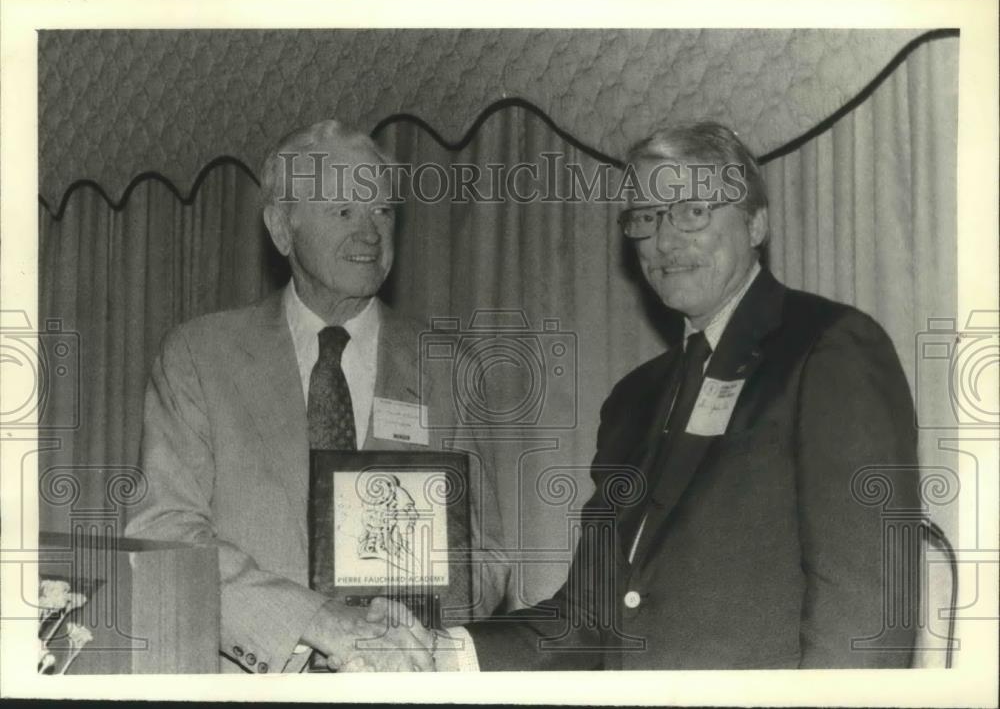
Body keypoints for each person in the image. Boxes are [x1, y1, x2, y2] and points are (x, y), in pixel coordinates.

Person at [450, 121, 919, 670]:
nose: (665, 241)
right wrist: (441, 652)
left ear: (756, 223)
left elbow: (866, 612)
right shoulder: (633, 399)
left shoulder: (828, 348)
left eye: (693, 211)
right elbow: (586, 618)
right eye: (646, 218)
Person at [126, 119, 508, 673]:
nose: (370, 233)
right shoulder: (199, 357)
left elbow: (487, 557)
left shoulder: (446, 368)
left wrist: (398, 632)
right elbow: (163, 535)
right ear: (282, 228)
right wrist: (319, 624)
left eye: (382, 211)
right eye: (343, 211)